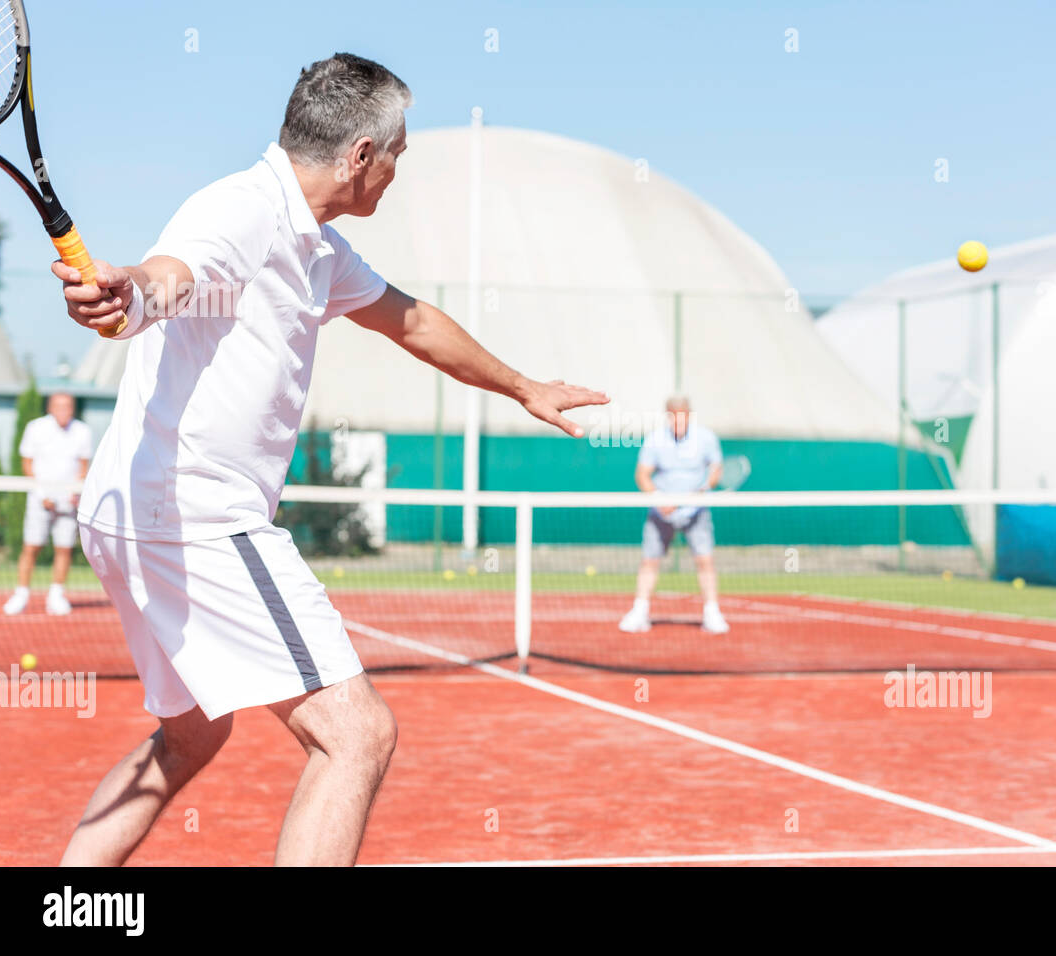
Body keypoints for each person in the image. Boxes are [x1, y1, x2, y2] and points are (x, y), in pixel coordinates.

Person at [52, 53, 608, 867]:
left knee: (191, 735)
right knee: (358, 734)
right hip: (196, 518)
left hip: (129, 514)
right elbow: (172, 277)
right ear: (359, 157)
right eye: (397, 155)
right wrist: (126, 291)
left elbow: (411, 322)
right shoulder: (243, 210)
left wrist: (523, 386)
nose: (396, 172)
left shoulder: (317, 245)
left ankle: (71, 903)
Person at [618, 396, 729, 635]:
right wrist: (659, 498)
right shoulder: (655, 440)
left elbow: (716, 469)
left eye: (683, 415)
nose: (678, 420)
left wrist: (704, 488)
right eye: (673, 415)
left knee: (705, 560)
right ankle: (640, 612)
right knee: (650, 561)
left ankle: (712, 613)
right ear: (668, 416)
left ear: (689, 415)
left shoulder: (706, 438)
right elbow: (642, 475)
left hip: (697, 512)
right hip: (660, 513)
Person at [2, 392, 92, 617]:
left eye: (68, 406)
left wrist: (75, 492)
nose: (64, 410)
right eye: (59, 406)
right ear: (50, 407)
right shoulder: (36, 428)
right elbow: (27, 462)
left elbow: (84, 465)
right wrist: (42, 494)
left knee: (64, 548)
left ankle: (56, 596)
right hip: (39, 499)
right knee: (31, 547)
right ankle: (21, 595)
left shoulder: (83, 431)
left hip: (68, 500)